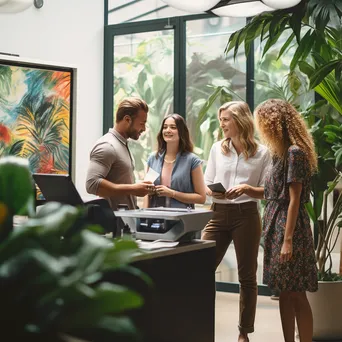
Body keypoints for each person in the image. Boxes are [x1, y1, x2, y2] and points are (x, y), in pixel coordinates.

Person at [201, 101, 271, 342]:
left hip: (247, 215)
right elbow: (206, 181)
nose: (222, 124)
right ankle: (200, 322)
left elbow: (267, 191)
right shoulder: (216, 149)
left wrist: (247, 189)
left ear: (240, 120)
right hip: (218, 213)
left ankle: (244, 332)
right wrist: (214, 192)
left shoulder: (262, 153)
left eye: (226, 119)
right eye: (221, 119)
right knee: (200, 266)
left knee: (247, 276)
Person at [254, 99, 318, 342]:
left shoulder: (294, 153)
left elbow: (294, 199)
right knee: (284, 292)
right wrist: (247, 190)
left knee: (297, 293)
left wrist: (287, 240)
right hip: (276, 224)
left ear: (272, 123)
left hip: (290, 228)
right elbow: (273, 193)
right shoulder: (278, 154)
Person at [86, 97, 154, 211]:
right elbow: (92, 184)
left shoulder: (122, 144)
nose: (144, 128)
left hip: (125, 223)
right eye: (142, 123)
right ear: (127, 119)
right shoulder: (108, 146)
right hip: (112, 224)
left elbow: (119, 180)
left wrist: (138, 186)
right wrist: (133, 189)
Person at [144, 113, 206, 208]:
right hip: (156, 218)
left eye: (173, 127)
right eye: (165, 127)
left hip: (181, 219)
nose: (168, 130)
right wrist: (144, 216)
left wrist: (172, 193)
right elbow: (146, 193)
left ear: (181, 132)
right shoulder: (153, 158)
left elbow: (201, 198)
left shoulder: (192, 161)